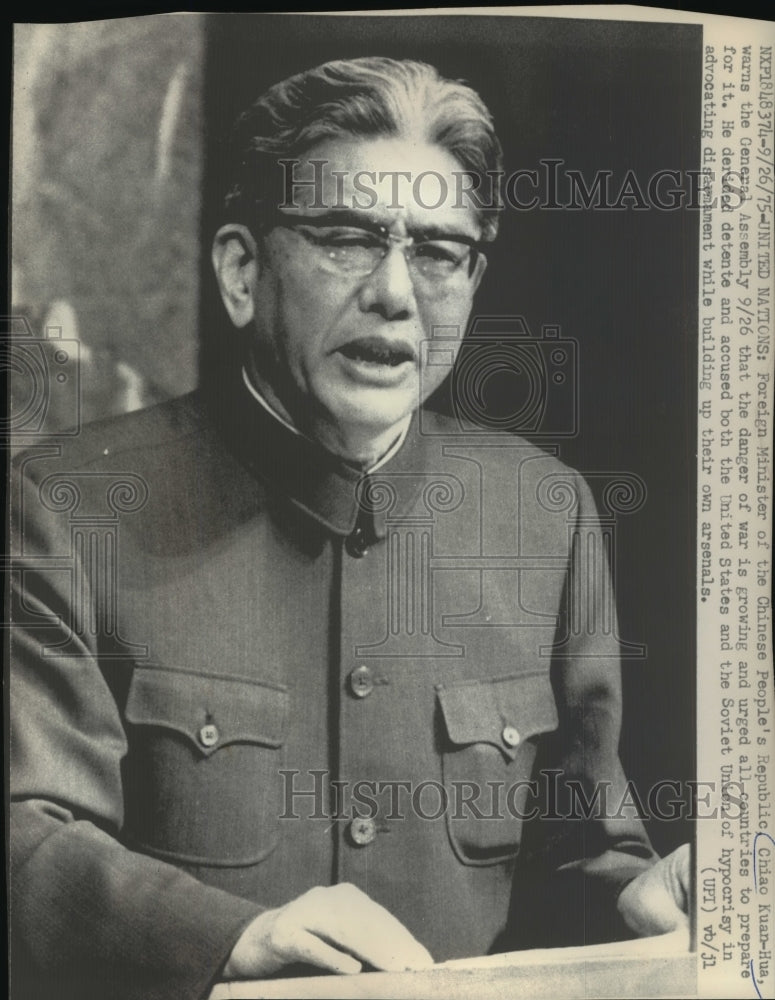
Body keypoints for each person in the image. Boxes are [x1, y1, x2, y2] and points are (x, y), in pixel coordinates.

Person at [10, 57, 689, 1000]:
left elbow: (578, 853)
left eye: (438, 251)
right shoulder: (68, 508)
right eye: (345, 238)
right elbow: (24, 839)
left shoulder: (545, 513)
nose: (396, 294)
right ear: (242, 271)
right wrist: (233, 940)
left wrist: (633, 901)